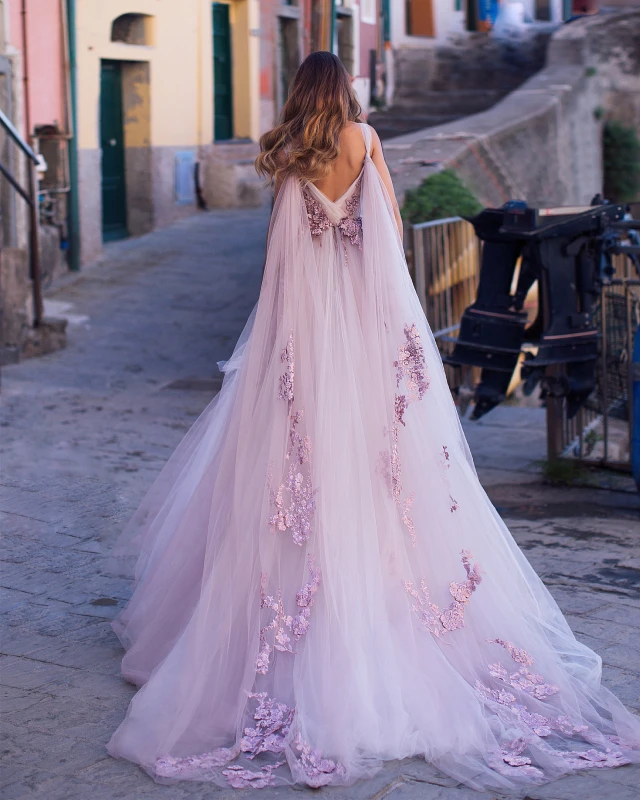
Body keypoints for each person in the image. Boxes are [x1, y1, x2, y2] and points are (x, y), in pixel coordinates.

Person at [106, 52, 639, 791]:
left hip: (304, 337)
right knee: (382, 472)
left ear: (299, 95)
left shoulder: (288, 152)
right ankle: (383, 613)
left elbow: (279, 262)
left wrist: (275, 350)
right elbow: (387, 230)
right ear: (345, 90)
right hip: (363, 330)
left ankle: (288, 631)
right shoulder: (363, 139)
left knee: (296, 474)